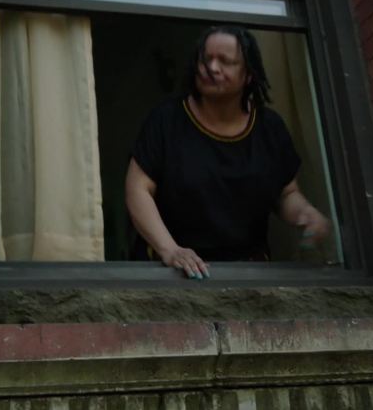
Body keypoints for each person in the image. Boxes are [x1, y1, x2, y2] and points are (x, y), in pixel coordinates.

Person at [125, 25, 330, 279]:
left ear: (249, 75)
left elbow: (286, 193)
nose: (211, 67)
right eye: (205, 59)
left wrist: (305, 214)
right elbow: (138, 189)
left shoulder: (269, 127)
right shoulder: (166, 120)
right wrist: (170, 249)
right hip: (173, 274)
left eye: (225, 61)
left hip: (248, 274)